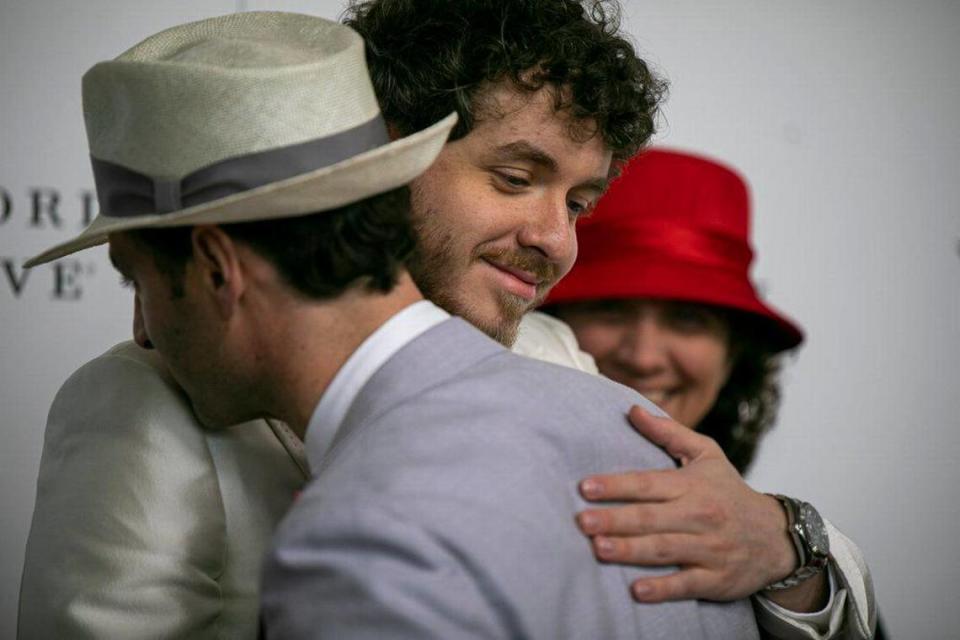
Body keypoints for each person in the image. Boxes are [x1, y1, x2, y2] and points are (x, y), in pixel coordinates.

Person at [17, 2, 871, 638]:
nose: (555, 241)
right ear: (386, 159)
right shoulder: (145, 401)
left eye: (579, 201)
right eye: (512, 177)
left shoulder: (557, 358)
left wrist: (786, 542)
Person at [542, 147, 876, 638]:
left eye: (687, 318)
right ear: (549, 324)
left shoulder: (788, 552)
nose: (644, 356)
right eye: (610, 308)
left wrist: (792, 554)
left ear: (734, 354)